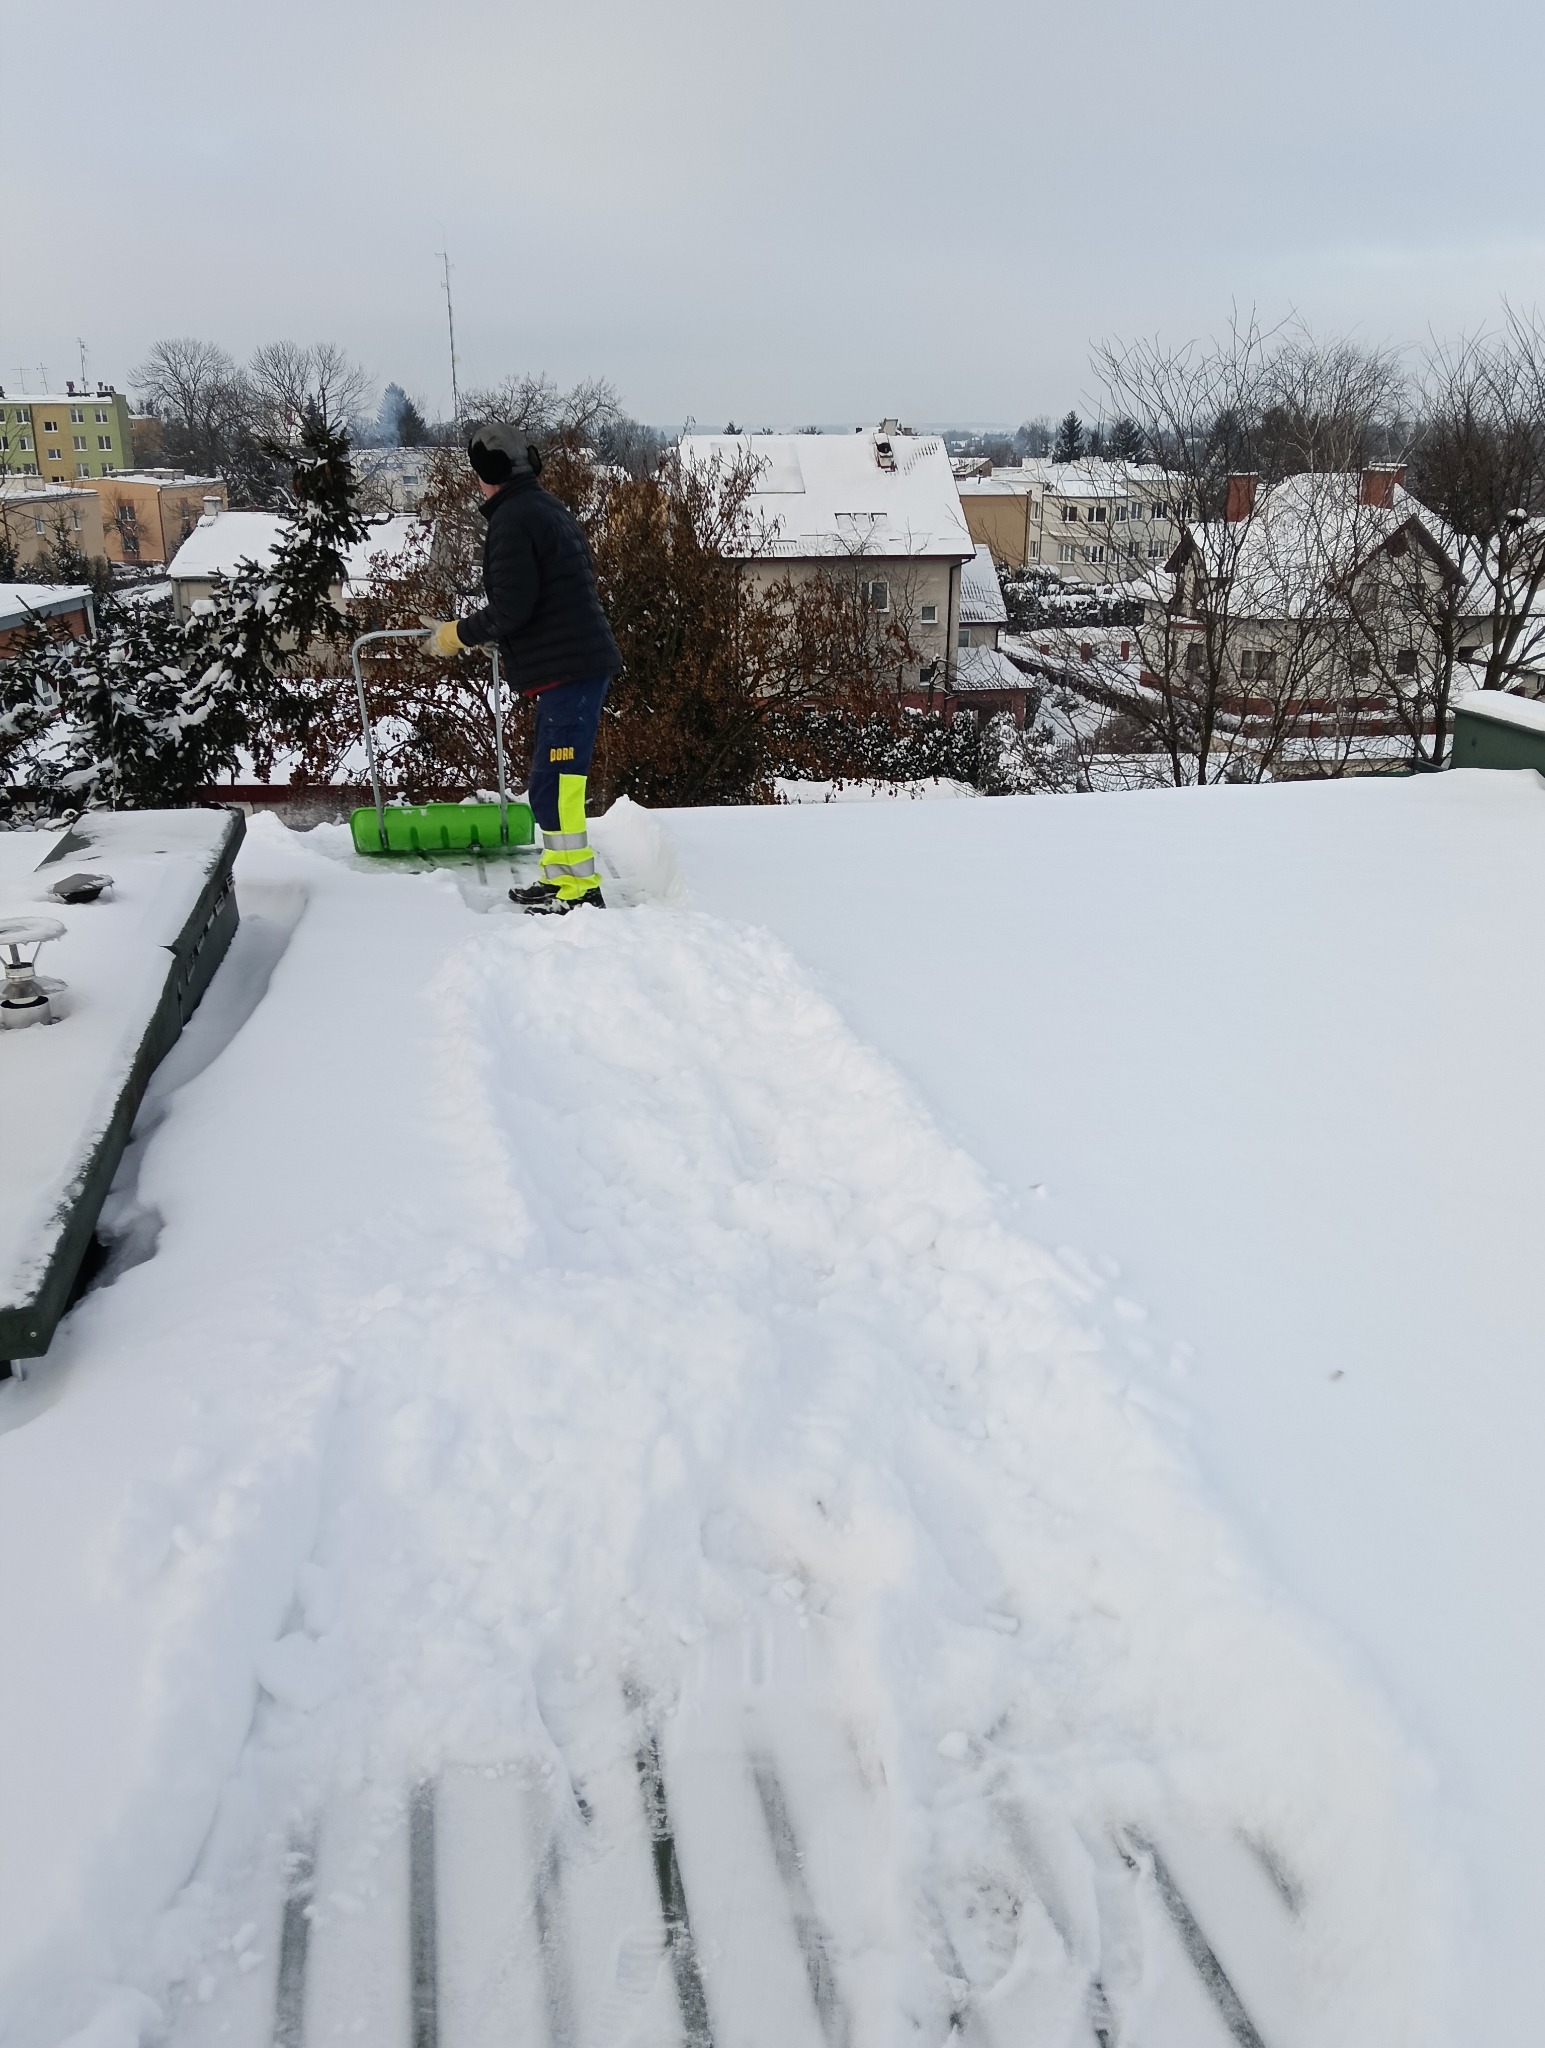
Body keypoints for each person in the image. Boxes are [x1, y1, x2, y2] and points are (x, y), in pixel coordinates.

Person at [425, 422, 621, 912]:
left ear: (488, 472)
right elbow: (548, 597)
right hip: (570, 666)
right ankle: (561, 880)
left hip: (569, 671)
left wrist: (456, 635)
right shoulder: (542, 508)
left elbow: (513, 607)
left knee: (557, 787)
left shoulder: (513, 519)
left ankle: (579, 891)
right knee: (549, 784)